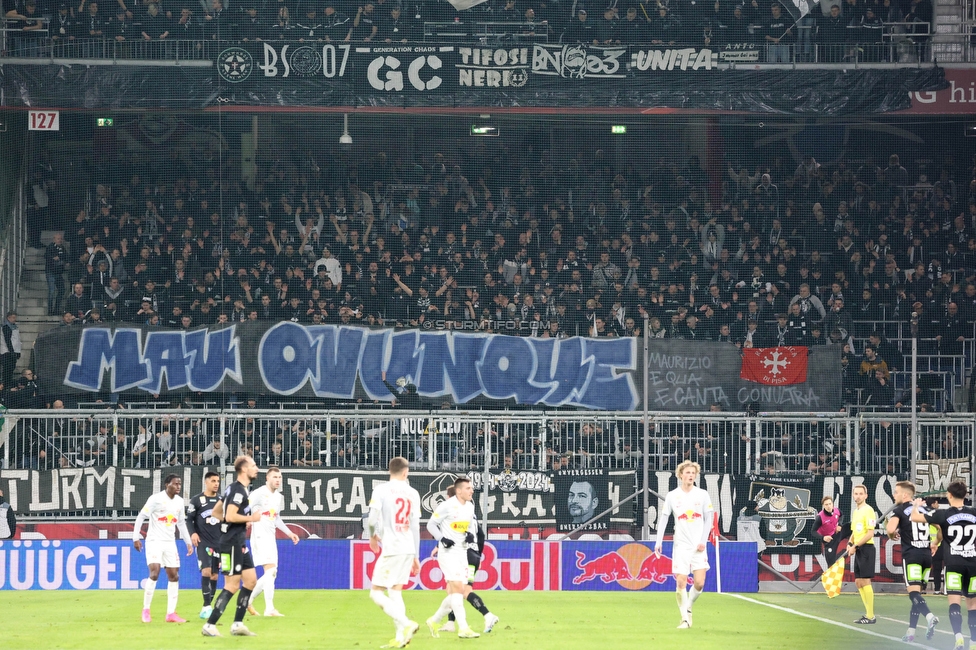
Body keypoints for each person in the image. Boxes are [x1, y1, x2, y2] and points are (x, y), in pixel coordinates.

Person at [202, 455, 263, 637]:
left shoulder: (232, 488)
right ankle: (210, 625)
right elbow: (229, 515)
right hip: (231, 543)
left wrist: (239, 521)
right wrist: (249, 518)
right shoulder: (238, 491)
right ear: (244, 469)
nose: (256, 468)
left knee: (251, 580)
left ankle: (237, 624)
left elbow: (216, 512)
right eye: (253, 465)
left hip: (238, 542)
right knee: (232, 585)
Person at [912, 480, 976, 650]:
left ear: (949, 495)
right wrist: (937, 541)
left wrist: (916, 505)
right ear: (966, 495)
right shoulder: (975, 513)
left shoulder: (943, 514)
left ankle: (958, 637)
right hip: (973, 564)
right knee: (973, 605)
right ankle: (974, 643)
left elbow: (915, 517)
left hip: (953, 564)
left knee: (954, 602)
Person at [366, 456, 422, 649]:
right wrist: (416, 555)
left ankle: (407, 624)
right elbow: (415, 527)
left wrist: (372, 536)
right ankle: (400, 638)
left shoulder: (381, 489)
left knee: (375, 593)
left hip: (392, 548)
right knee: (395, 591)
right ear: (405, 472)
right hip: (407, 548)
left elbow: (372, 519)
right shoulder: (413, 493)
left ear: (390, 470)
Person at [654, 460, 715, 629]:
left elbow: (709, 518)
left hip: (698, 546)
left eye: (693, 473)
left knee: (700, 583)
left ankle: (688, 606)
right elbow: (664, 517)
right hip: (680, 545)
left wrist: (703, 540)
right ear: (680, 475)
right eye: (687, 473)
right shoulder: (673, 495)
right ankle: (684, 619)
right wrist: (658, 542)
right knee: (681, 582)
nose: (690, 475)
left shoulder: (702, 494)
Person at [133, 474, 195, 624]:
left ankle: (171, 614)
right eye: (175, 484)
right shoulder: (155, 499)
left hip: (170, 542)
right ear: (167, 484)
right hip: (154, 541)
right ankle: (146, 609)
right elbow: (141, 516)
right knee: (154, 572)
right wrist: (136, 537)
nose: (178, 487)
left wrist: (188, 541)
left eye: (180, 484)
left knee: (174, 576)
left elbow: (180, 523)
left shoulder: (180, 502)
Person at [426, 477, 480, 639]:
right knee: (457, 589)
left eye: (471, 488)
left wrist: (469, 534)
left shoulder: (470, 507)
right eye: (468, 488)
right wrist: (441, 539)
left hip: (462, 552)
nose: (472, 491)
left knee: (457, 591)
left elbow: (468, 526)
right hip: (447, 553)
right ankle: (463, 628)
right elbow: (431, 524)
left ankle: (434, 620)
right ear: (459, 491)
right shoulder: (446, 506)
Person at [440, 485, 499, 635]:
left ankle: (488, 615)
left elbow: (453, 535)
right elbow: (481, 535)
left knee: (461, 591)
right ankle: (450, 622)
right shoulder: (470, 513)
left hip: (463, 555)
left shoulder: (454, 512)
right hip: (474, 556)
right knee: (454, 590)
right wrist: (477, 553)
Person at [886, 481, 938, 643]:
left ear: (905, 495)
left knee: (913, 593)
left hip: (912, 555)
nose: (894, 495)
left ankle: (929, 616)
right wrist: (936, 541)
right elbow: (940, 526)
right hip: (926, 556)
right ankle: (911, 631)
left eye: (896, 492)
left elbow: (889, 529)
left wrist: (891, 534)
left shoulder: (899, 510)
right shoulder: (925, 509)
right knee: (917, 595)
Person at [247, 466, 300, 617]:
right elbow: (244, 507)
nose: (278, 480)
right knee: (270, 571)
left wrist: (290, 533)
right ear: (267, 478)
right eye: (275, 477)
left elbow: (275, 518)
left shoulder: (278, 497)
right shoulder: (258, 493)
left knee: (272, 573)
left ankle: (247, 600)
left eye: (279, 477)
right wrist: (247, 520)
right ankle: (269, 609)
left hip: (271, 536)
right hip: (259, 535)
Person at [186, 470, 222, 620]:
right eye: (213, 481)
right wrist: (193, 533)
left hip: (219, 542)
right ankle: (207, 606)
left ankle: (206, 606)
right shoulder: (196, 500)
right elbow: (189, 519)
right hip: (203, 542)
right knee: (206, 571)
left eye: (218, 481)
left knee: (214, 576)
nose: (216, 484)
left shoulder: (221, 500)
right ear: (206, 482)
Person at [849, 484, 878, 624]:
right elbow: (855, 532)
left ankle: (870, 616)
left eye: (861, 493)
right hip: (858, 548)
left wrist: (855, 546)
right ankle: (868, 613)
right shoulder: (856, 512)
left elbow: (870, 533)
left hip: (866, 548)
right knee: (858, 582)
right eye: (856, 493)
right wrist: (850, 544)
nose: (858, 496)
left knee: (865, 581)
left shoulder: (869, 510)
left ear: (866, 496)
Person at [811, 496, 843, 567]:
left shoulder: (837, 510)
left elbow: (841, 515)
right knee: (831, 564)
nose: (828, 506)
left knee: (850, 526)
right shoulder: (820, 517)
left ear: (832, 504)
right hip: (829, 540)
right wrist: (823, 538)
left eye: (830, 504)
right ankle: (831, 576)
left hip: (837, 533)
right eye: (826, 504)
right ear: (823, 506)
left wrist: (840, 525)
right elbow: (813, 531)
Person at [0, 311, 22, 389]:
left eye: (15, 317)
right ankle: (6, 386)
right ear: (8, 318)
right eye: (13, 317)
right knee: (7, 371)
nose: (14, 319)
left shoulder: (14, 327)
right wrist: (12, 352)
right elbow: (8, 340)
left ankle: (8, 385)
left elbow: (17, 340)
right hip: (7, 352)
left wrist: (18, 351)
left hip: (13, 352)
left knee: (10, 370)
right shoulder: (6, 327)